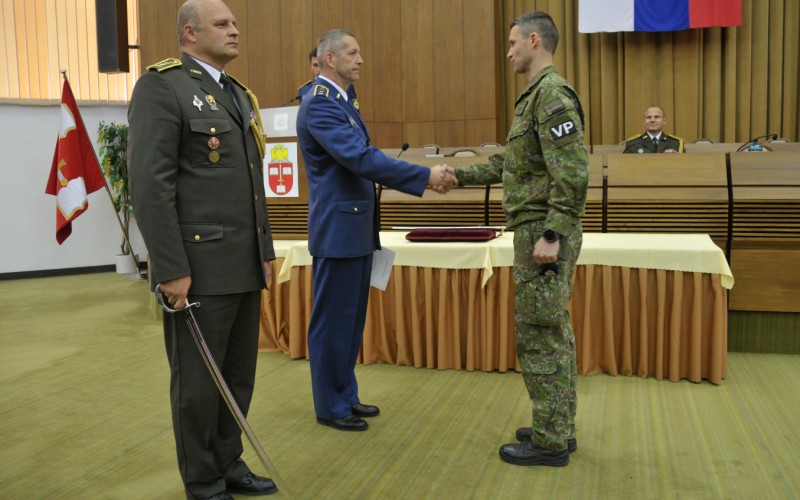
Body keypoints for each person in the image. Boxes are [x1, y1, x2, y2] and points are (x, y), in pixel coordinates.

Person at [127, 0, 278, 497]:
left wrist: (264, 250)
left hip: (242, 263)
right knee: (198, 385)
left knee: (237, 377)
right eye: (222, 24)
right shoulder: (162, 86)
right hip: (197, 267)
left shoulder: (236, 93)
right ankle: (204, 481)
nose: (235, 30)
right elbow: (151, 186)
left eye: (234, 23)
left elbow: (250, 183)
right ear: (190, 33)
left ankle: (229, 464)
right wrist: (169, 267)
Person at [296, 28, 456, 432]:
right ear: (329, 59)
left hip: (355, 228)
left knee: (349, 322)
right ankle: (331, 406)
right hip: (338, 231)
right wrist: (424, 176)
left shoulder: (343, 100)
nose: (361, 59)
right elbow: (359, 158)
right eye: (352, 52)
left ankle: (345, 395)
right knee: (332, 323)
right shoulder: (320, 102)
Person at [454, 11, 588, 467]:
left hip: (543, 231)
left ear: (534, 40)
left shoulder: (550, 96)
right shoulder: (535, 96)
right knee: (553, 332)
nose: (508, 51)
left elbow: (573, 173)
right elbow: (510, 164)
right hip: (538, 228)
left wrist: (552, 233)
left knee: (539, 337)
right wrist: (457, 176)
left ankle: (549, 443)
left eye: (513, 43)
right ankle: (558, 427)